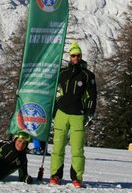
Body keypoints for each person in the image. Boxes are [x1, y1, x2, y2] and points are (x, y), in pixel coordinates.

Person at [49, 42, 97, 188]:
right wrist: (54, 110)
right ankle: (55, 175)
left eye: (78, 55)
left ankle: (77, 177)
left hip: (78, 115)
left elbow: (92, 96)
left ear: (81, 56)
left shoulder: (87, 75)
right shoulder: (62, 73)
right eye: (73, 55)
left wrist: (90, 113)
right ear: (70, 56)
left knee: (77, 149)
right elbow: (55, 92)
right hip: (61, 114)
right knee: (58, 147)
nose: (75, 58)